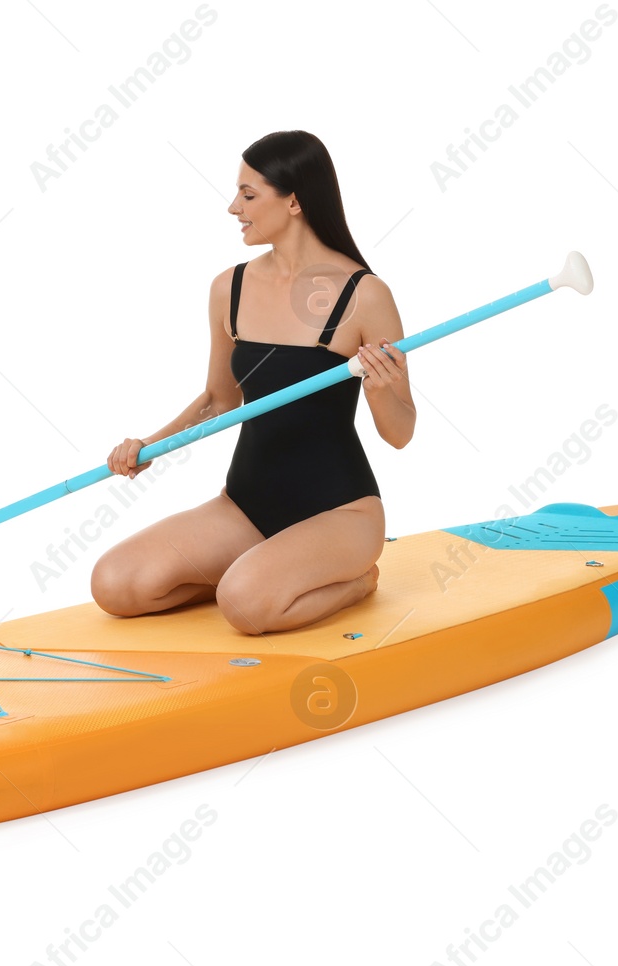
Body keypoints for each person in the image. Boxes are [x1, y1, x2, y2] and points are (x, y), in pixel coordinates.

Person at [91, 130, 416, 635]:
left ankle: (355, 582)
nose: (232, 208)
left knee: (244, 607)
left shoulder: (364, 295)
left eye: (248, 195)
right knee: (115, 584)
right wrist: (150, 445)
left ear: (294, 201)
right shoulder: (230, 287)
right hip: (245, 504)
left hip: (340, 512)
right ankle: (262, 570)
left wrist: (380, 390)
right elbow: (219, 399)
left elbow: (401, 433)